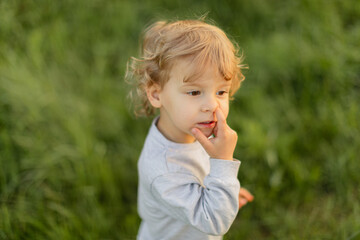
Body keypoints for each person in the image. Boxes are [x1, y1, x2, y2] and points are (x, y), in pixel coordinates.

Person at [126, 18, 254, 240]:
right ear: (156, 94)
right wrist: (223, 164)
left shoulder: (184, 130)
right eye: (195, 92)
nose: (212, 105)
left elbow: (196, 173)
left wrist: (222, 192)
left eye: (221, 92)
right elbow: (215, 221)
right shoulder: (164, 171)